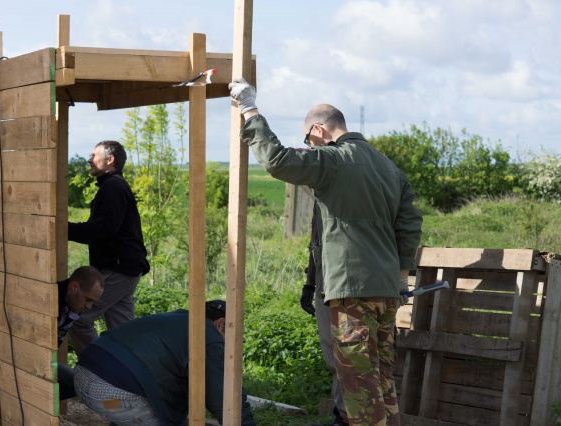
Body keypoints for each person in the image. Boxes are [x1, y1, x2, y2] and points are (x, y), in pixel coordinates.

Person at [229, 78, 423, 426]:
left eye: (308, 139)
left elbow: (277, 160)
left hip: (351, 289)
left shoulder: (333, 160)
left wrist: (249, 110)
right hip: (387, 291)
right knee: (381, 378)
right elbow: (409, 226)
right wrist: (402, 276)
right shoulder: (390, 169)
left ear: (318, 130)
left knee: (358, 384)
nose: (308, 145)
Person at [73, 300, 256, 426]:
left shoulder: (179, 320)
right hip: (113, 395)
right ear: (222, 324)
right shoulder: (210, 338)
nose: (231, 347)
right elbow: (226, 401)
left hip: (83, 379)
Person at [68, 140, 150, 356]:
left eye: (94, 156)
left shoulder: (113, 186)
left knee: (78, 318)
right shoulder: (114, 185)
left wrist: (64, 230)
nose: (89, 160)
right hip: (126, 267)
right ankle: (133, 376)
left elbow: (106, 227)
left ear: (110, 160)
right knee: (124, 333)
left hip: (118, 268)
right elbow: (106, 231)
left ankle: (99, 370)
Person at [300, 202, 348, 426]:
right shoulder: (319, 195)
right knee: (332, 353)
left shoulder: (344, 187)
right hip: (323, 284)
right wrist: (309, 284)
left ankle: (347, 416)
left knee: (346, 353)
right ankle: (341, 414)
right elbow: (315, 241)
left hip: (347, 284)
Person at [57, 265, 105, 400]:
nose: (89, 307)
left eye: (93, 302)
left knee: (76, 383)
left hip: (47, 363)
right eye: (88, 299)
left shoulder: (72, 305)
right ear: (74, 287)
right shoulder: (50, 298)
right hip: (26, 364)